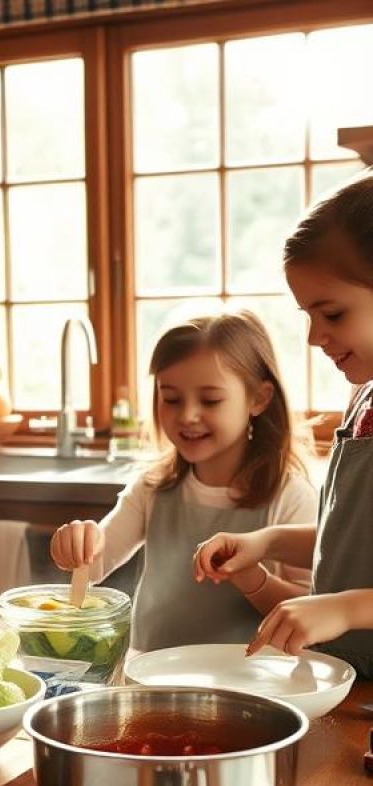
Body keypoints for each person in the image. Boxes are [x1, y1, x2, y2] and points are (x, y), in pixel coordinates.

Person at [50, 310, 316, 653]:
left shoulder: (290, 496)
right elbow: (96, 561)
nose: (187, 415)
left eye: (210, 400)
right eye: (171, 398)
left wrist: (253, 579)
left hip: (250, 688)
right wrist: (75, 544)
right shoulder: (152, 487)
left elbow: (309, 612)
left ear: (259, 399)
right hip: (151, 676)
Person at [195, 171, 373, 674]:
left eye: (333, 314)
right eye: (308, 316)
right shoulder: (364, 401)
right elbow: (352, 539)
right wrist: (267, 542)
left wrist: (343, 608)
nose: (316, 336)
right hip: (346, 677)